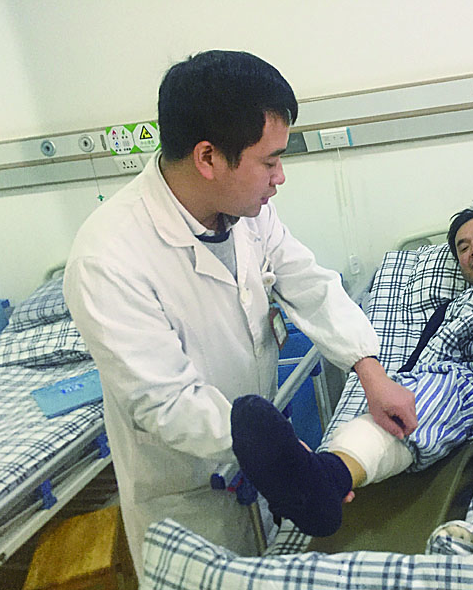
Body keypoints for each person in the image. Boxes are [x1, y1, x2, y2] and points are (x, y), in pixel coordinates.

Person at [63, 50, 417, 579]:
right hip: (188, 496)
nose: (280, 178)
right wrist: (276, 455)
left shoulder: (247, 212)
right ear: (208, 158)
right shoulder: (108, 258)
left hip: (256, 472)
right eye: (270, 161)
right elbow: (165, 400)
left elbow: (310, 284)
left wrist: (370, 369)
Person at [232, 200, 473, 537]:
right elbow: (421, 367)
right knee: (427, 393)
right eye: (464, 247)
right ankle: (327, 479)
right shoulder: (449, 310)